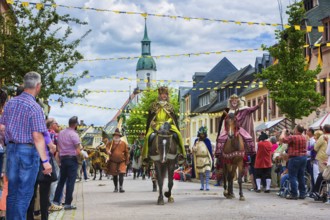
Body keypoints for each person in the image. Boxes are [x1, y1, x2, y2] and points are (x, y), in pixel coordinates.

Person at [0, 71, 52, 220]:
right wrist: (46, 161)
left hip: (11, 150)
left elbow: (2, 126)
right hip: (27, 152)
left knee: (12, 193)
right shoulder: (35, 107)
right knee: (24, 194)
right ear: (38, 86)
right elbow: (37, 136)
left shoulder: (10, 103)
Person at [143, 86, 186, 164]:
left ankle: (181, 154)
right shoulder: (154, 105)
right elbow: (150, 118)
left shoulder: (170, 106)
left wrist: (167, 122)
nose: (164, 95)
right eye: (163, 94)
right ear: (159, 95)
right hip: (156, 125)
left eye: (166, 94)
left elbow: (172, 118)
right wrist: (152, 123)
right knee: (148, 137)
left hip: (167, 125)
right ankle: (146, 156)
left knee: (178, 134)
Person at [53, 116, 81, 210]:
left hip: (63, 159)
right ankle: (68, 203)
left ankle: (56, 201)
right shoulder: (74, 134)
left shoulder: (61, 133)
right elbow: (77, 150)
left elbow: (58, 147)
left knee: (61, 181)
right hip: (72, 159)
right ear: (75, 124)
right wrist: (80, 157)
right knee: (70, 182)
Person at [280, 125, 307, 200]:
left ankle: (294, 194)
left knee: (293, 176)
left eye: (294, 128)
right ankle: (302, 194)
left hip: (295, 158)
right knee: (301, 176)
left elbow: (283, 139)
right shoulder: (304, 137)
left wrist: (283, 132)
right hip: (303, 157)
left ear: (297, 130)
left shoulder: (293, 137)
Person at [106, 128, 129, 193]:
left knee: (121, 174)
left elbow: (127, 152)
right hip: (113, 161)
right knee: (115, 175)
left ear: (119, 136)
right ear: (113, 136)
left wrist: (127, 160)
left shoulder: (123, 143)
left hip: (122, 161)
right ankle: (116, 187)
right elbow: (107, 148)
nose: (116, 136)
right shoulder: (110, 143)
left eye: (118, 135)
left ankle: (121, 187)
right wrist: (108, 151)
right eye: (115, 135)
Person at [192, 126, 213, 191]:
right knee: (201, 173)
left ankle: (207, 185)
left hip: (206, 158)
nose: (202, 135)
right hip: (199, 159)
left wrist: (211, 158)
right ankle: (202, 185)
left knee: (207, 171)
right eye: (201, 134)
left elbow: (210, 150)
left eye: (203, 134)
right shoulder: (196, 141)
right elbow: (194, 148)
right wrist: (194, 148)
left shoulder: (207, 141)